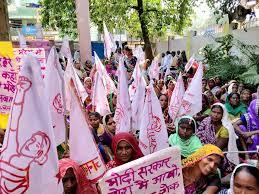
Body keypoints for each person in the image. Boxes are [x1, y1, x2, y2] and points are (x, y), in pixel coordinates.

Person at [196, 103, 239, 168]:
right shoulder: (206, 121)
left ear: (223, 115)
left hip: (218, 154)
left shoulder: (225, 129)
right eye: (214, 112)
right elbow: (198, 136)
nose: (215, 115)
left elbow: (216, 149)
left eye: (219, 113)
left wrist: (202, 153)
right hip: (202, 150)